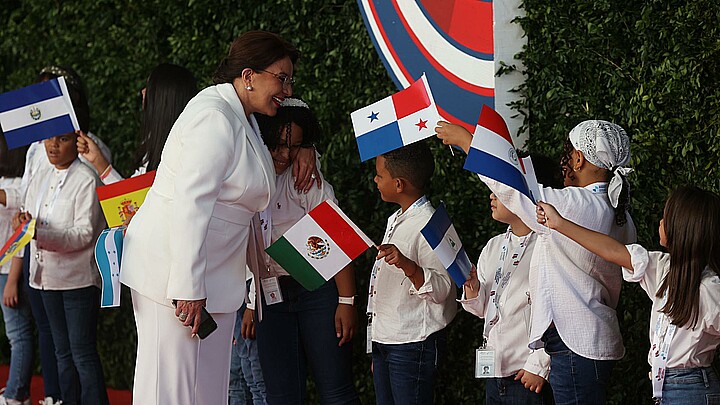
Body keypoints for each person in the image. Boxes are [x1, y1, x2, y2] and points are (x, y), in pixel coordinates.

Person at [119, 30, 304, 404]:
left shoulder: (242, 115)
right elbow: (191, 203)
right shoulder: (215, 116)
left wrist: (306, 150)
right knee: (166, 393)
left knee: (207, 393)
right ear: (249, 76)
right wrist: (187, 287)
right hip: (173, 281)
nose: (286, 89)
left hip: (213, 283)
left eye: (290, 80)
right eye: (281, 79)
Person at [437, 119, 635, 404]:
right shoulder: (618, 212)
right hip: (585, 339)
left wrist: (468, 143)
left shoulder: (580, 204)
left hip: (576, 341)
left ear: (578, 159)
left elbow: (517, 193)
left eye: (568, 153)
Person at [536, 186, 720, 404]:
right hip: (665, 387)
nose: (660, 222)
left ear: (684, 228)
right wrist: (559, 224)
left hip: (693, 388)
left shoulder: (710, 289)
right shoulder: (662, 268)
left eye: (666, 217)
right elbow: (611, 251)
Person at [250, 97, 360, 404]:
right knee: (281, 395)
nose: (285, 154)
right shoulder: (244, 175)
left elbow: (337, 238)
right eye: (278, 145)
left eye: (295, 145)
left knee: (336, 390)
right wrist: (249, 302)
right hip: (269, 296)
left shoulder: (306, 177)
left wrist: (346, 301)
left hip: (317, 290)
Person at [13, 126, 108, 405]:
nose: (53, 146)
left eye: (62, 139)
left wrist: (38, 234)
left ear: (76, 142)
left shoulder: (87, 178)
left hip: (77, 280)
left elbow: (85, 233)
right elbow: (28, 215)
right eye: (49, 138)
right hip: (44, 278)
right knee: (62, 352)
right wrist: (23, 221)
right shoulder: (42, 174)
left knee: (81, 353)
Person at [459, 154, 559, 405]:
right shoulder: (494, 246)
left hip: (527, 376)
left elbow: (558, 310)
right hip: (494, 373)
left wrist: (539, 365)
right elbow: (483, 309)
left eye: (500, 188)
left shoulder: (548, 246)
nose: (492, 195)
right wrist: (472, 288)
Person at [369, 141, 457, 405]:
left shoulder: (430, 222)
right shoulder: (395, 218)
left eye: (380, 175)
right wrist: (376, 344)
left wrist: (408, 265)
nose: (375, 179)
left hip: (412, 342)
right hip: (385, 339)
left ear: (399, 184)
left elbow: (444, 288)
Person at [76, 63, 198, 183]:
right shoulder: (152, 141)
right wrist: (98, 160)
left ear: (163, 99)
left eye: (150, 87)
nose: (143, 91)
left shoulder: (186, 153)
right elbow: (133, 199)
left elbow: (133, 200)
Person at [0, 136, 33, 405]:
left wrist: (12, 279)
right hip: (4, 269)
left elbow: (21, 237)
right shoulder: (7, 181)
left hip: (10, 270)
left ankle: (16, 393)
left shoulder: (21, 186)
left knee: (18, 334)